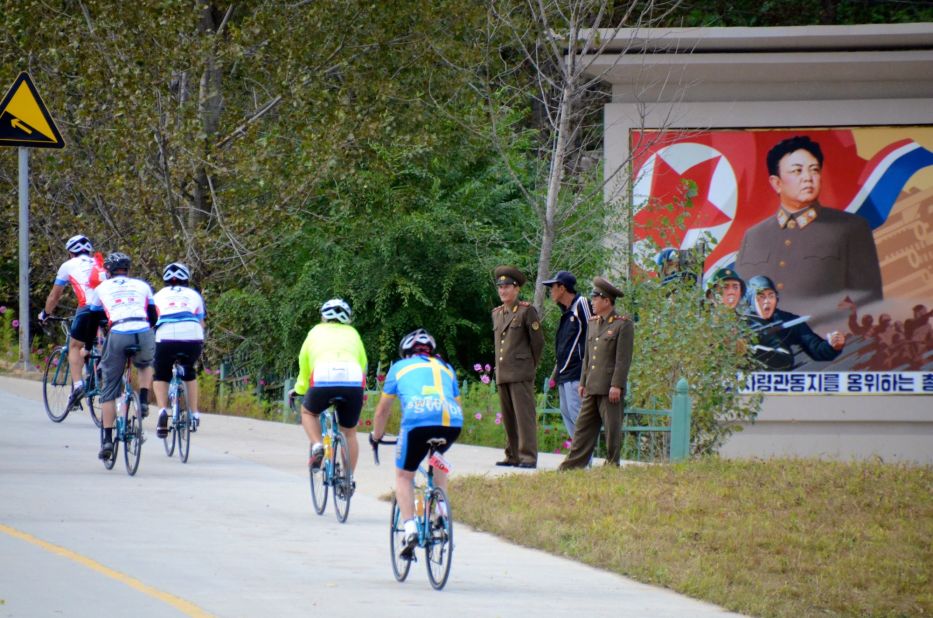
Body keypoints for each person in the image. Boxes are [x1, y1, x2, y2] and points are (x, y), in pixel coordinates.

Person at [735, 136, 883, 318]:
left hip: (824, 341)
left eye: (814, 170)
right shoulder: (755, 235)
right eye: (797, 171)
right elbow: (740, 302)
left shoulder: (850, 228)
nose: (808, 178)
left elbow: (869, 301)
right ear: (776, 183)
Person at [370, 328, 463, 559]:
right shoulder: (447, 368)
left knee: (404, 475)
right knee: (437, 460)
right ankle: (440, 511)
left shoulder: (399, 368)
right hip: (451, 421)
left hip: (418, 421)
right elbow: (458, 405)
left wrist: (376, 436)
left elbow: (382, 411)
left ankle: (410, 528)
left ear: (405, 352)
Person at [559, 277, 634, 470]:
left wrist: (617, 384)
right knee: (583, 428)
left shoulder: (622, 325)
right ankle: (572, 465)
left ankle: (611, 464)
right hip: (592, 385)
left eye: (595, 298)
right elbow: (588, 357)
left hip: (609, 387)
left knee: (611, 429)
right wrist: (583, 381)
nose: (592, 302)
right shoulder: (593, 323)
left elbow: (623, 359)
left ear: (606, 301)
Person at [88, 252, 157, 460]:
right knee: (145, 363)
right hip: (143, 331)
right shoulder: (143, 286)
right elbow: (153, 315)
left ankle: (108, 440)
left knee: (109, 390)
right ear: (128, 271)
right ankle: (143, 400)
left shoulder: (101, 288)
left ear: (107, 271)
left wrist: (87, 344)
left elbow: (92, 318)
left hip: (118, 332)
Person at [294, 299, 367, 483]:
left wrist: (300, 388)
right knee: (349, 432)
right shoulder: (353, 333)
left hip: (323, 376)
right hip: (353, 379)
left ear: (323, 316)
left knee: (308, 412)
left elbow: (304, 362)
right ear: (347, 319)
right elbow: (363, 363)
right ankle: (348, 478)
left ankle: (318, 445)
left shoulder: (315, 332)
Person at [38, 235, 107, 410]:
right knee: (98, 340)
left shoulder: (67, 266)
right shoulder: (99, 264)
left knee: (75, 346)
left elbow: (55, 295)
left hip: (86, 307)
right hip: (108, 308)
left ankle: (78, 386)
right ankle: (98, 370)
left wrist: (45, 313)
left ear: (70, 252)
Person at [491, 266, 544, 469]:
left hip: (521, 372)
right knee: (509, 418)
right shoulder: (497, 313)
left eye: (507, 286)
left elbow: (537, 343)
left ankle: (528, 456)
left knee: (524, 417)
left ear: (516, 289)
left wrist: (529, 366)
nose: (503, 290)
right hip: (503, 372)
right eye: (500, 287)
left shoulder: (526, 311)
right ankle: (512, 455)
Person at [743, 275, 845, 371]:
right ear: (751, 301)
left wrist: (832, 346)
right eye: (761, 297)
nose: (767, 301)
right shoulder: (741, 323)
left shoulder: (790, 320)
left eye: (771, 296)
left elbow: (815, 348)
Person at [151, 263, 207, 438]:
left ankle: (162, 411)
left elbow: (152, 321)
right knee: (189, 371)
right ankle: (194, 413)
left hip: (165, 335)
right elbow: (201, 323)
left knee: (161, 374)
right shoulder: (194, 295)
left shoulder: (158, 295)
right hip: (191, 335)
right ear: (186, 280)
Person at [542, 270, 591, 438]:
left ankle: (585, 459)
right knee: (567, 413)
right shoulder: (566, 311)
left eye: (552, 287)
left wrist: (588, 368)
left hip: (577, 372)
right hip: (564, 373)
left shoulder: (581, 304)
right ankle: (577, 456)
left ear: (562, 288)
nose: (550, 291)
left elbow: (594, 333)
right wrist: (556, 374)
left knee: (578, 415)